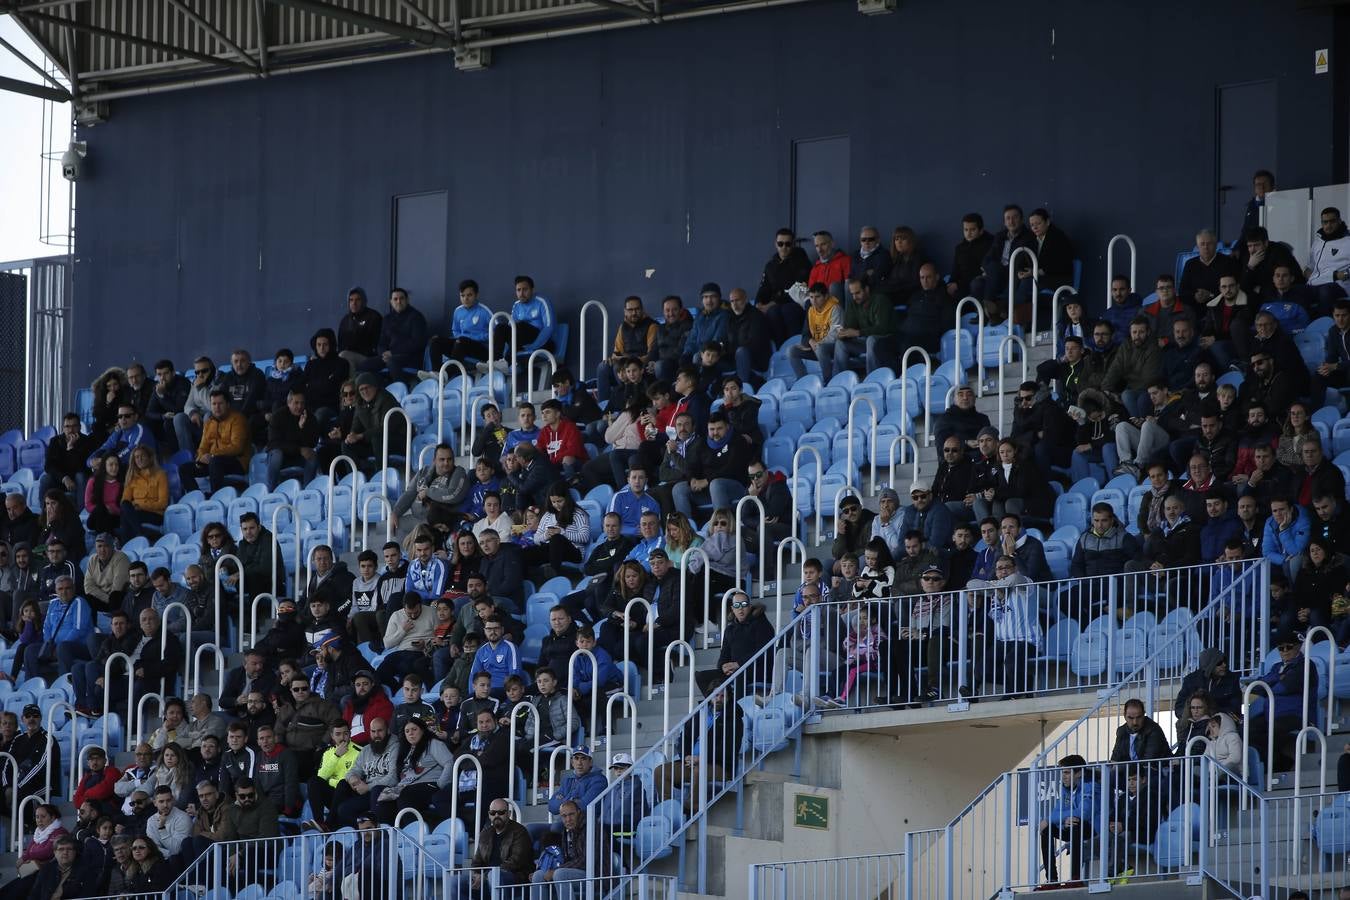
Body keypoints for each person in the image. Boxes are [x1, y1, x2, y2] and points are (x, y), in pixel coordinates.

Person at [453, 799, 534, 897]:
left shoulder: (519, 832)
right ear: (489, 814)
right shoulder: (485, 834)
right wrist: (477, 875)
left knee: (495, 876)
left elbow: (515, 862)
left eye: (501, 812)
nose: (496, 816)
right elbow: (477, 861)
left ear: (508, 813)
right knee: (455, 882)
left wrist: (485, 876)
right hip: (488, 878)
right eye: (493, 813)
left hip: (515, 878)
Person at [1037, 755, 1096, 886]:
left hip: (1094, 828)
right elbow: (1057, 812)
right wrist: (1060, 821)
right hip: (1073, 828)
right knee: (1047, 830)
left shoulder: (1090, 786)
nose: (1063, 777)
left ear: (1079, 773)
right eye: (1063, 773)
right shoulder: (1066, 789)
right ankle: (1052, 879)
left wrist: (1054, 819)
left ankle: (1076, 878)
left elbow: (1084, 813)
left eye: (1067, 773)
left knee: (1075, 822)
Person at [529, 799, 597, 900]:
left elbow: (586, 860)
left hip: (595, 876)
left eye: (571, 814)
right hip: (574, 873)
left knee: (560, 874)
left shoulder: (590, 828)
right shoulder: (567, 831)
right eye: (564, 816)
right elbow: (566, 859)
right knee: (538, 875)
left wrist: (555, 870)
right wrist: (545, 869)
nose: (568, 819)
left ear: (578, 813)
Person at [754, 228, 811, 344]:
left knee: (788, 310)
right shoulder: (771, 265)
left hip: (795, 302)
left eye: (788, 244)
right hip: (775, 305)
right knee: (772, 312)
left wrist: (772, 303)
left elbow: (797, 288)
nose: (784, 247)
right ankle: (781, 350)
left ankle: (795, 347)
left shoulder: (801, 261)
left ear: (793, 244)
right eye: (780, 244)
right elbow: (764, 286)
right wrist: (759, 302)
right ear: (776, 244)